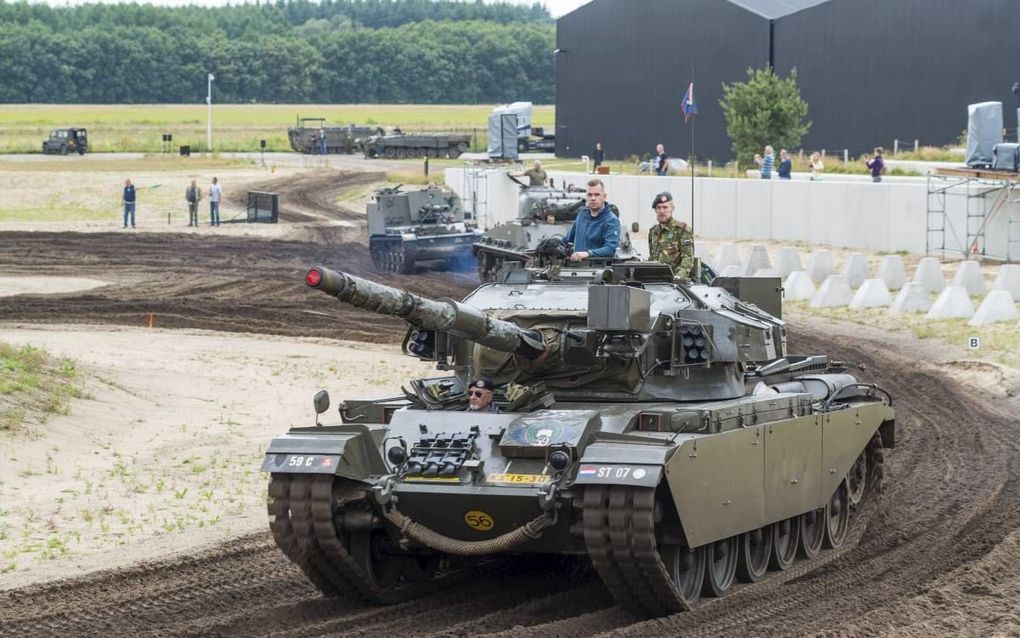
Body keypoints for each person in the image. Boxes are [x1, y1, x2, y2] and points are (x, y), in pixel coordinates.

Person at [563, 178, 620, 262]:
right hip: (576, 267)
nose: (593, 198)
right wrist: (554, 245)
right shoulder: (582, 214)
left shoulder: (611, 220)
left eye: (597, 195)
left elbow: (610, 249)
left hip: (596, 269)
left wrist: (588, 253)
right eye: (590, 195)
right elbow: (569, 239)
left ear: (604, 197)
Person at [647, 191, 695, 279]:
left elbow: (688, 258)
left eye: (665, 207)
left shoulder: (682, 229)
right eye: (658, 208)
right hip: (654, 280)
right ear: (655, 210)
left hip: (674, 281)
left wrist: (679, 277)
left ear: (672, 208)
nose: (662, 211)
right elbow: (652, 256)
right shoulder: (653, 231)